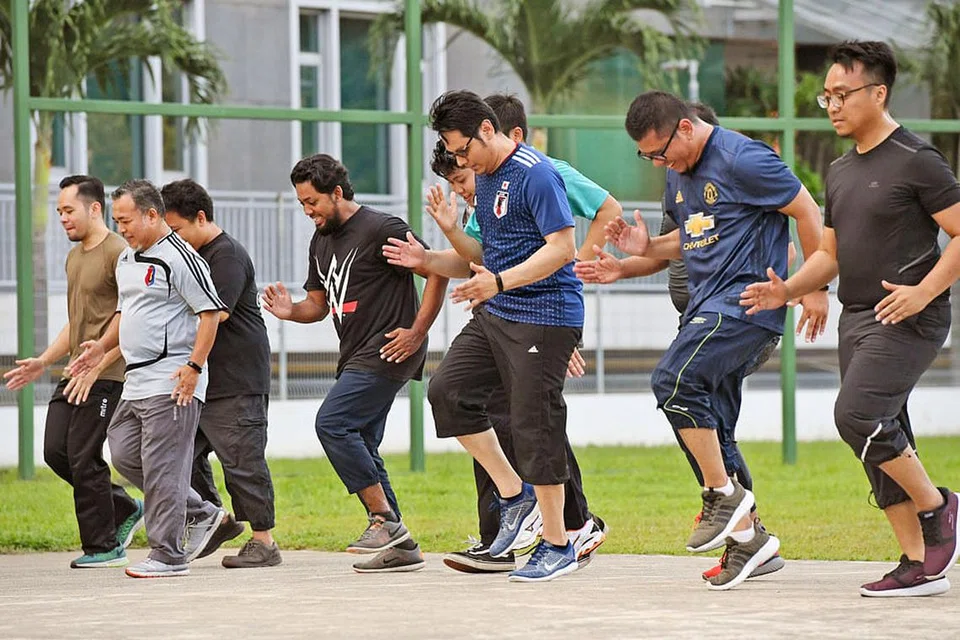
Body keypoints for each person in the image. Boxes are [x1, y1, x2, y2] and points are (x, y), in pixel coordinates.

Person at [741, 40, 960, 597]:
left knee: (858, 416)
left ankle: (940, 506)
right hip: (856, 316)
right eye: (827, 96)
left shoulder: (917, 159)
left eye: (843, 94)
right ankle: (919, 564)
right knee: (883, 434)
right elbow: (831, 256)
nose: (833, 105)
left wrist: (924, 290)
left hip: (909, 316)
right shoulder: (839, 170)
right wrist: (786, 289)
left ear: (878, 93)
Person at [607, 90, 827, 590]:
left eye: (660, 152)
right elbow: (693, 234)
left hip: (748, 306)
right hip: (706, 310)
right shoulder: (678, 175)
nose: (659, 163)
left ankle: (722, 495)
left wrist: (814, 285)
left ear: (686, 128)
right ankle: (750, 542)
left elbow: (808, 211)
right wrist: (644, 248)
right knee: (709, 429)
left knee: (672, 381)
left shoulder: (743, 158)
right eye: (647, 157)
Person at [422, 97, 615, 573]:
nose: (460, 162)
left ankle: (558, 544)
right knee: (449, 393)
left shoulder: (537, 173)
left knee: (534, 424)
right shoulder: (485, 179)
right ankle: (515, 494)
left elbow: (563, 249)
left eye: (462, 149)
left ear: (487, 129)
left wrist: (501, 281)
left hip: (545, 314)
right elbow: (486, 251)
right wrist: (451, 230)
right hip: (498, 311)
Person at [261, 154, 448, 573]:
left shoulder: (382, 228)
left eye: (312, 202)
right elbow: (318, 304)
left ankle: (382, 520)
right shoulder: (320, 241)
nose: (308, 212)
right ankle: (402, 546)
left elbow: (436, 270)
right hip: (355, 354)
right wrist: (289, 310)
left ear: (338, 193)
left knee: (332, 422)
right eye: (301, 204)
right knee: (361, 438)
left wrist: (417, 331)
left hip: (389, 348)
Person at [68, 179, 227, 578]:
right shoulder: (127, 259)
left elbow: (210, 314)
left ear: (152, 215)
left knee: (162, 469)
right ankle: (202, 512)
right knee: (123, 454)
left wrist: (193, 369)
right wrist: (102, 348)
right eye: (118, 221)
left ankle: (168, 555)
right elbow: (126, 314)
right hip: (135, 383)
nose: (122, 229)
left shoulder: (182, 258)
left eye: (126, 221)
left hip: (170, 381)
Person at [3, 175, 143, 569]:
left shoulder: (119, 252)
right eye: (59, 211)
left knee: (83, 457)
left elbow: (126, 314)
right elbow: (76, 322)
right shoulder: (74, 257)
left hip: (108, 372)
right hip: (74, 371)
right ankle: (126, 505)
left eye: (68, 210)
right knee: (56, 453)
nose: (62, 218)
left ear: (94, 208)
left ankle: (104, 546)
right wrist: (44, 361)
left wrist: (101, 356)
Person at [162, 178, 282, 568]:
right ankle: (215, 519)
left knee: (242, 460)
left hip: (236, 378)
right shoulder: (192, 258)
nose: (174, 241)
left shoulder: (225, 255)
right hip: (204, 380)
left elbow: (217, 313)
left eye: (177, 231)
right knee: (183, 455)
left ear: (201, 217)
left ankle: (264, 541)